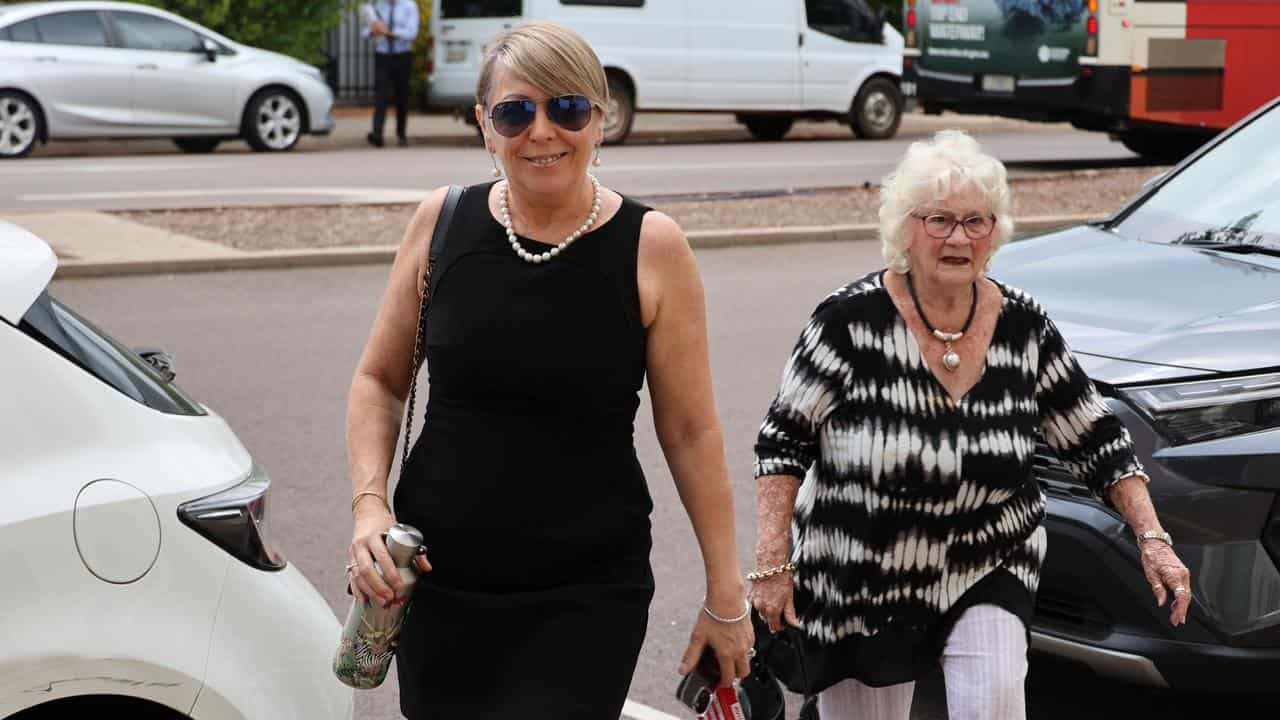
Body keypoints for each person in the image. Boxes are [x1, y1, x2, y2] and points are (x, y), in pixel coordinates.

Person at [344, 21, 752, 719]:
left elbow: (689, 430)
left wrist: (726, 593)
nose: (542, 132)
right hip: (443, 582)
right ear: (484, 125)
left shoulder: (651, 247)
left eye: (567, 109)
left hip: (586, 590)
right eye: (515, 111)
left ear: (601, 119)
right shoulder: (441, 223)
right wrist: (370, 507)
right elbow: (379, 381)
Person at [749, 130, 1192, 719]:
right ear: (905, 228)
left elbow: (1096, 438)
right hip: (861, 569)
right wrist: (773, 565)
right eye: (939, 220)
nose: (959, 237)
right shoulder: (847, 322)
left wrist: (1152, 537)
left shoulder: (1022, 325)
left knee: (995, 703)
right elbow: (783, 445)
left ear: (995, 231)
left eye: (976, 222)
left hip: (988, 556)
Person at [362, 0, 418, 147]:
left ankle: (401, 134)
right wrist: (373, 31)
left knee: (402, 96)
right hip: (383, 55)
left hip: (402, 55)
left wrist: (389, 33)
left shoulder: (409, 6)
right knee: (381, 95)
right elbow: (365, 31)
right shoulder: (377, 5)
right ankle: (377, 134)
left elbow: (412, 33)